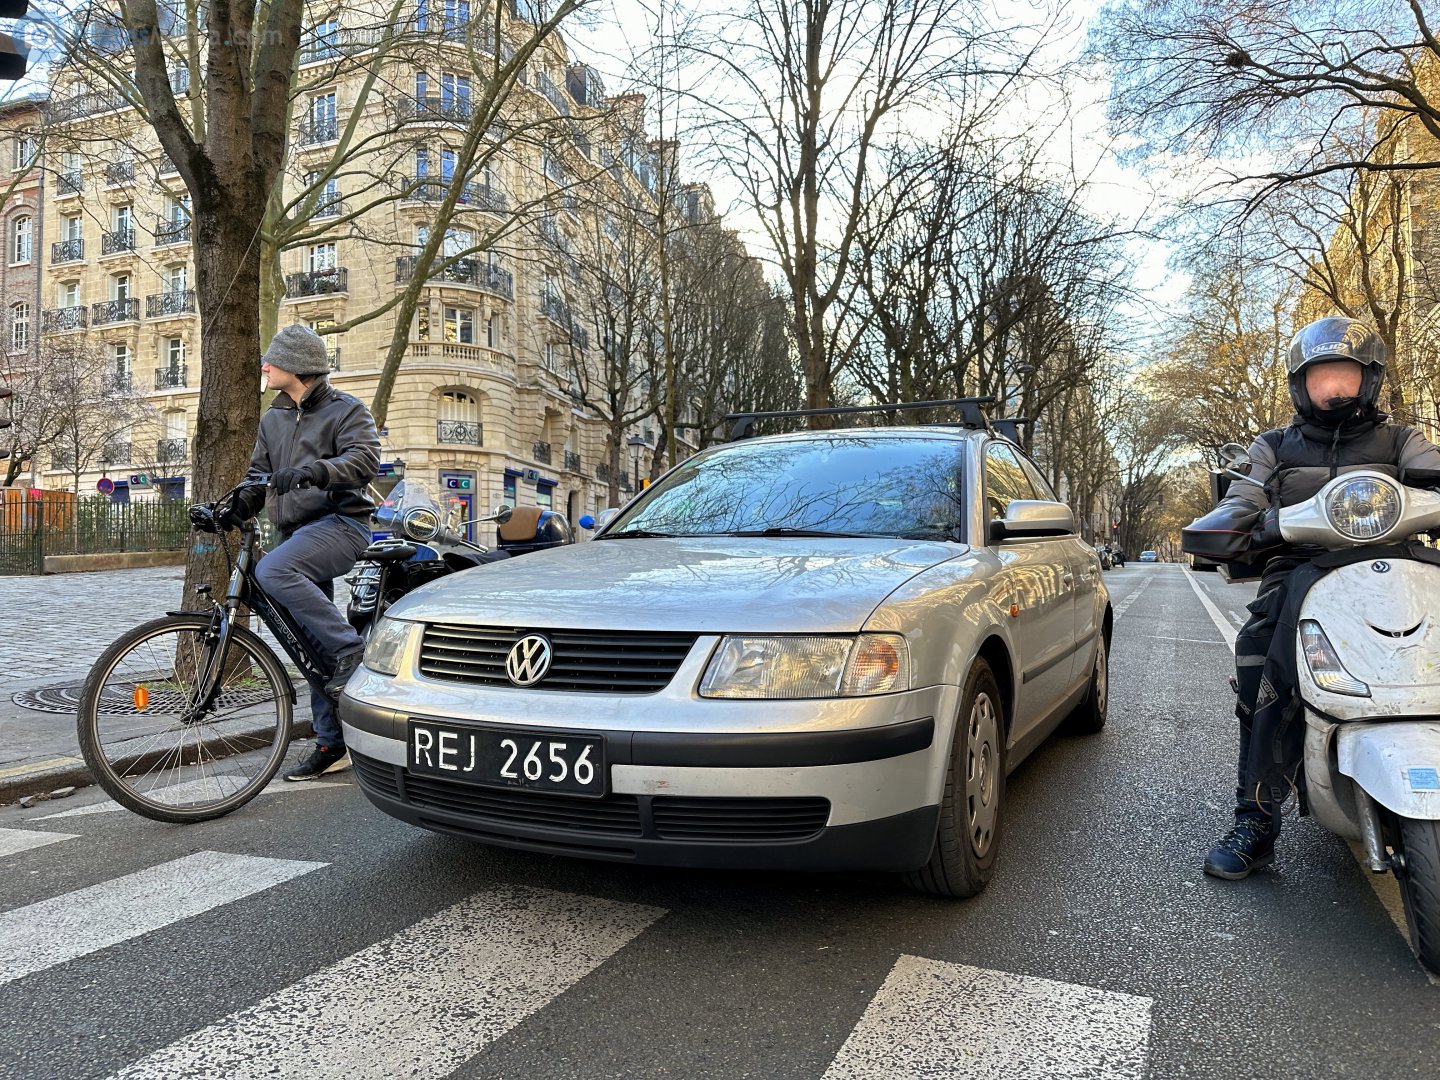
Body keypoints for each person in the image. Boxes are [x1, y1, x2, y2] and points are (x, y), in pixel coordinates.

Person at [1182, 316, 1440, 879]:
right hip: (1301, 571)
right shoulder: (1274, 447)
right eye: (1323, 377)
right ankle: (1255, 818)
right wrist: (1231, 523)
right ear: (1301, 385)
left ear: (1369, 380)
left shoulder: (1402, 440)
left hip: (1398, 567)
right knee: (1256, 659)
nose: (1335, 388)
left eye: (1346, 374)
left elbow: (1432, 474)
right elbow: (1245, 497)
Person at [218, 324, 381, 781]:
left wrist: (314, 473)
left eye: (270, 360)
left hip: (340, 525)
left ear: (294, 365)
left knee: (272, 572)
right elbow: (258, 475)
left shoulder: (346, 410)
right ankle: (333, 743)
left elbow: (365, 460)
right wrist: (236, 504)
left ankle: (352, 650)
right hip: (295, 533)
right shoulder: (272, 418)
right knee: (308, 645)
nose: (263, 367)